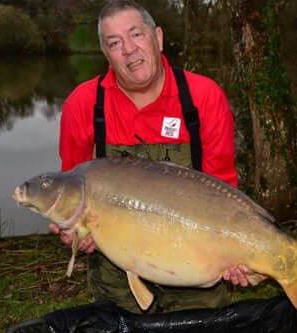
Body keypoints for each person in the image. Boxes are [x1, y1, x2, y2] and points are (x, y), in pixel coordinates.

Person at [50, 0, 252, 314]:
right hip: (116, 272)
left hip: (194, 262)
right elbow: (73, 193)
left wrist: (237, 254)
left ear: (157, 37)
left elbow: (223, 193)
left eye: (136, 35)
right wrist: (76, 231)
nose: (128, 49)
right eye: (115, 43)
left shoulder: (203, 97)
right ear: (106, 53)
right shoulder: (83, 105)